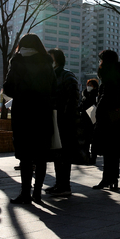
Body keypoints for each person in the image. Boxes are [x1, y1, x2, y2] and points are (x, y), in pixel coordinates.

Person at [3, 34, 57, 204]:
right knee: (41, 154)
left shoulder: (17, 62)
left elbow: (8, 89)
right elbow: (54, 88)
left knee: (25, 155)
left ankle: (25, 193)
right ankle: (38, 193)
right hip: (42, 112)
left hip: (23, 113)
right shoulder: (47, 62)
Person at [47, 48, 80, 197]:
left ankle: (64, 185)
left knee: (63, 154)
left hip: (63, 121)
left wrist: (67, 116)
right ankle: (59, 183)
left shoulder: (66, 75)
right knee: (56, 153)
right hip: (54, 119)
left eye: (50, 58)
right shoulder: (50, 76)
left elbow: (73, 98)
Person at [92, 50, 120, 190]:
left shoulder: (108, 76)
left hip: (107, 118)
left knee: (108, 150)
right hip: (114, 118)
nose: (100, 63)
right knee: (112, 151)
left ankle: (107, 179)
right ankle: (112, 179)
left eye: (101, 60)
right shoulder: (117, 75)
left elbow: (106, 97)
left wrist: (98, 110)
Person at [80, 78, 99, 165]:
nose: (88, 87)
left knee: (93, 139)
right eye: (88, 85)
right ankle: (86, 157)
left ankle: (92, 157)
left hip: (93, 118)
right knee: (86, 140)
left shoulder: (96, 95)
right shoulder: (85, 95)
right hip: (85, 119)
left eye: (90, 85)